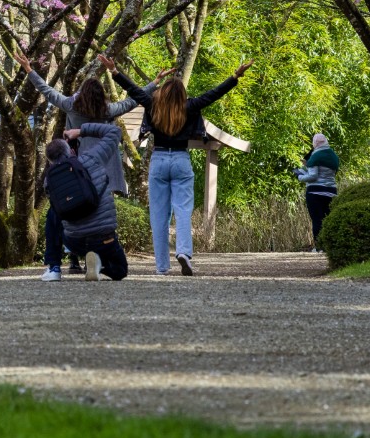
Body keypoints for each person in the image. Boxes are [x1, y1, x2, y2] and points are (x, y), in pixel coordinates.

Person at [101, 53, 250, 276]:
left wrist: (115, 72)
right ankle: (183, 253)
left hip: (159, 160)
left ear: (162, 93)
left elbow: (135, 92)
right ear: (182, 93)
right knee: (182, 211)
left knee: (159, 216)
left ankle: (162, 266)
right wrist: (235, 76)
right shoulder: (189, 107)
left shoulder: (153, 105)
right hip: (181, 160)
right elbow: (213, 94)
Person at [18, 51, 138, 274]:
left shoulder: (70, 105)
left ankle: (69, 261)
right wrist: (152, 84)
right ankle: (99, 257)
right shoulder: (108, 110)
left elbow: (47, 90)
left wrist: (29, 70)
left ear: (81, 93)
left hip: (77, 166)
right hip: (103, 167)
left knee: (69, 206)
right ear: (101, 95)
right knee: (100, 210)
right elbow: (134, 100)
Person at [40, 124, 129, 282]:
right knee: (120, 270)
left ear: (50, 160)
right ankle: (100, 264)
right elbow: (115, 131)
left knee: (53, 213)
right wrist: (80, 132)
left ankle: (54, 268)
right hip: (104, 239)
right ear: (70, 150)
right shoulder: (92, 158)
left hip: (76, 242)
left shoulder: (49, 181)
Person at [294, 133, 340, 249]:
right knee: (328, 219)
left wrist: (300, 176)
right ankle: (331, 246)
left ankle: (320, 246)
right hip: (331, 191)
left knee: (317, 220)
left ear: (315, 143)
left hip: (315, 192)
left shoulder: (316, 156)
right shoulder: (333, 156)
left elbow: (313, 176)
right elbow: (332, 174)